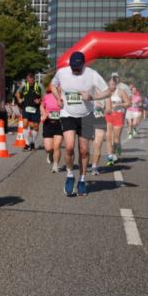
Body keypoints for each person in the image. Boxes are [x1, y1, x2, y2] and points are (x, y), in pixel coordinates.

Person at [51, 51, 110, 197]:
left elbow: (108, 91)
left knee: (84, 150)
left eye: (77, 67)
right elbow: (53, 85)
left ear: (84, 64)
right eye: (72, 66)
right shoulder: (62, 73)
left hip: (86, 116)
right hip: (68, 114)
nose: (74, 69)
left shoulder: (92, 74)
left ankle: (82, 180)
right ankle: (70, 175)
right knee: (69, 147)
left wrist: (92, 96)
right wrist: (58, 97)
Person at [104, 75, 130, 166]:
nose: (112, 86)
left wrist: (119, 105)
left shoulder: (121, 92)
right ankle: (110, 156)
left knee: (116, 138)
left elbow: (128, 103)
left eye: (113, 84)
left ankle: (114, 152)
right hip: (108, 115)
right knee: (108, 136)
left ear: (116, 84)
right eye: (110, 84)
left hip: (118, 115)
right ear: (107, 84)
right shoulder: (106, 92)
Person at [15, 72, 43, 151]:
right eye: (28, 80)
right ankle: (27, 144)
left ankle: (32, 142)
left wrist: (39, 100)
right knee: (25, 123)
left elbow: (44, 96)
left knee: (36, 126)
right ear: (27, 80)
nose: (30, 82)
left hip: (36, 108)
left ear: (34, 79)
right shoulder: (24, 86)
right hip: (26, 108)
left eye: (32, 80)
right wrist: (19, 99)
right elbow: (17, 93)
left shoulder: (39, 86)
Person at [40, 81, 63, 173]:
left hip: (60, 123)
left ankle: (55, 165)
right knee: (49, 148)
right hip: (48, 123)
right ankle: (50, 154)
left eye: (58, 86)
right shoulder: (46, 97)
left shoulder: (63, 98)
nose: (57, 88)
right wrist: (44, 113)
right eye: (55, 86)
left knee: (57, 146)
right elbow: (41, 107)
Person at [88, 94, 108, 176]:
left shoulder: (105, 94)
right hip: (87, 120)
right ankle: (86, 164)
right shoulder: (85, 90)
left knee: (97, 145)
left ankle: (94, 167)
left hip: (100, 120)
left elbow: (109, 109)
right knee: (85, 147)